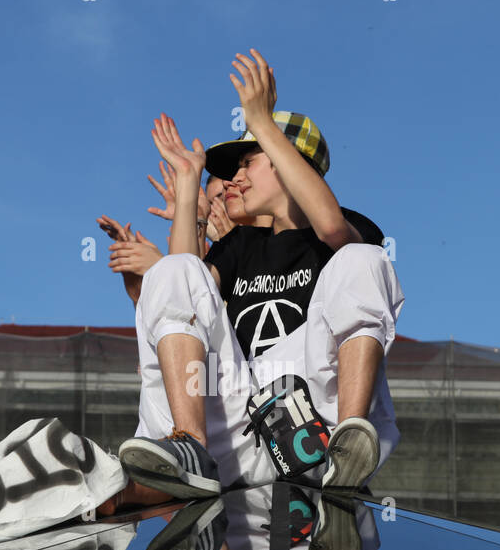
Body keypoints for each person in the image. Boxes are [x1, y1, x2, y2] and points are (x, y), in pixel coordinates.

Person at [116, 49, 404, 502]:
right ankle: (190, 446)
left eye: (248, 162)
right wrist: (190, 183)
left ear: (286, 160)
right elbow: (185, 290)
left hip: (313, 423)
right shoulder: (241, 246)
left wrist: (263, 122)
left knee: (362, 259)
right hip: (243, 423)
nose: (235, 179)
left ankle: (350, 442)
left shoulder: (347, 228)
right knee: (174, 269)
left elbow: (330, 227)